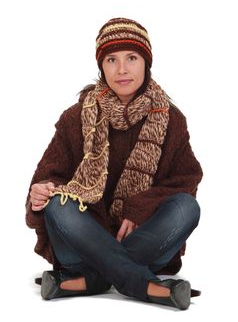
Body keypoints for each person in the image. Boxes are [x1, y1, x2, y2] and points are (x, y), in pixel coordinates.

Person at [25, 17, 203, 310]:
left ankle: (92, 279)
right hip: (80, 246)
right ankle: (141, 283)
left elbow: (186, 181)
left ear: (146, 63)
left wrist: (139, 208)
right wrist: (39, 194)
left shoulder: (171, 119)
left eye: (131, 58)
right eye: (111, 59)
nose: (122, 69)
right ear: (102, 66)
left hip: (144, 240)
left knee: (187, 207)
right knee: (58, 205)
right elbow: (48, 178)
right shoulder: (75, 117)